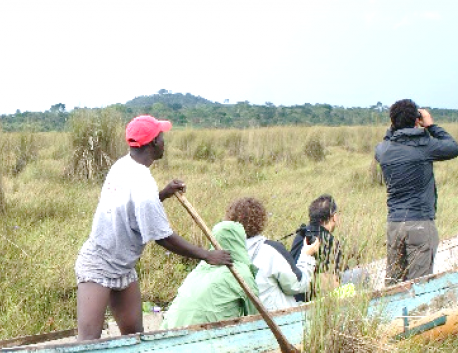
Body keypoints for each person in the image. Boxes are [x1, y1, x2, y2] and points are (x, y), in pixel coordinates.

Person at [75, 115, 232, 340]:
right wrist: (206, 255)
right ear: (153, 143)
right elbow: (162, 237)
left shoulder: (124, 164)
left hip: (124, 267)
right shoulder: (141, 181)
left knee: (135, 337)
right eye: (161, 136)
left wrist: (164, 194)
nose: (164, 141)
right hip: (98, 265)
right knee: (87, 343)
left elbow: (135, 211)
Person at [375, 100, 458, 284]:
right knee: (419, 284)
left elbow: (387, 140)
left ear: (392, 122)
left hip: (394, 224)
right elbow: (454, 148)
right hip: (420, 223)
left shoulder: (383, 150)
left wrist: (396, 127)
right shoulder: (424, 145)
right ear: (417, 120)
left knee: (393, 282)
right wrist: (430, 126)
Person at [226, 197, 320, 312]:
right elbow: (297, 285)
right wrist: (306, 256)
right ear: (261, 221)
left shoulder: (224, 253)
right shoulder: (271, 250)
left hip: (245, 317)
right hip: (277, 318)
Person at [162, 221, 258, 329]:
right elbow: (256, 315)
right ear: (240, 241)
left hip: (170, 328)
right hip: (203, 335)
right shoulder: (241, 272)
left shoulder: (201, 267)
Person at [290, 194, 343, 301]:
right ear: (334, 217)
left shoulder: (300, 235)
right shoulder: (329, 242)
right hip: (311, 301)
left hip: (292, 296)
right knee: (360, 275)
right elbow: (329, 285)